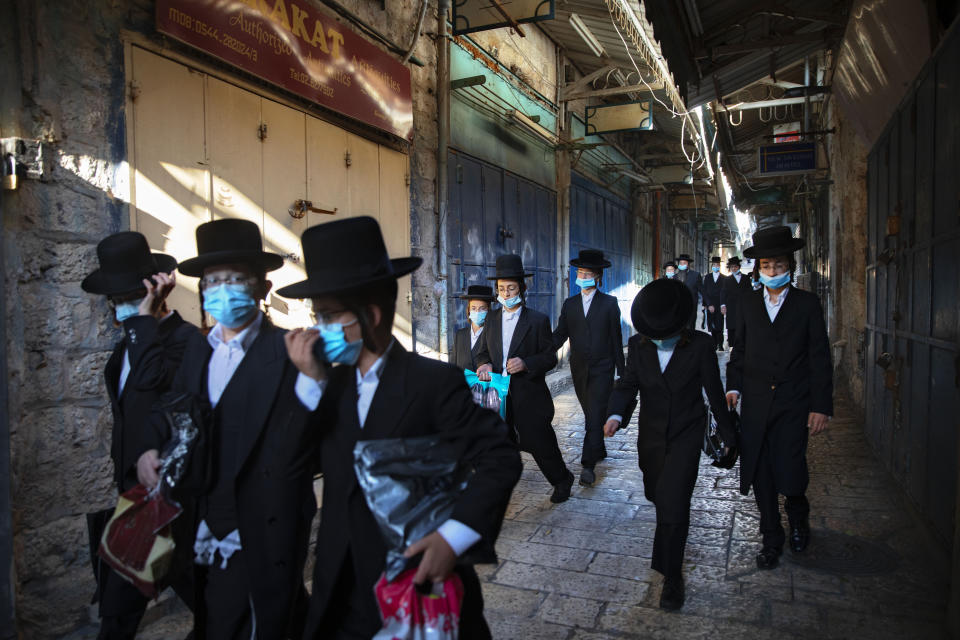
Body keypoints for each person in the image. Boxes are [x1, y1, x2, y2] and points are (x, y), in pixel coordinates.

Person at [280, 216, 522, 639]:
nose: (318, 329)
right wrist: (308, 385)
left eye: (328, 316)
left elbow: (499, 456)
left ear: (370, 315)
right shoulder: (326, 385)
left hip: (420, 581)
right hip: (342, 589)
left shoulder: (432, 383)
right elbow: (291, 463)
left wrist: (453, 537)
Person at [136, 218, 317, 639]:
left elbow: (307, 439)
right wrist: (148, 447)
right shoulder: (200, 351)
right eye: (213, 281)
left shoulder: (288, 352)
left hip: (264, 524)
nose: (223, 289)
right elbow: (169, 408)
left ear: (262, 290)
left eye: (237, 279)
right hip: (202, 519)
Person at [81, 232, 196, 639]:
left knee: (122, 613)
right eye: (114, 297)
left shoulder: (187, 343)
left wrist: (145, 319)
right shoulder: (124, 348)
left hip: (174, 500)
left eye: (130, 294)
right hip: (136, 498)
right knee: (118, 613)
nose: (120, 305)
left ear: (155, 289)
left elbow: (156, 382)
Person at [603, 279, 735, 611]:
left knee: (674, 504)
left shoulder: (701, 346)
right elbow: (628, 383)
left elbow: (714, 393)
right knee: (657, 495)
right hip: (651, 437)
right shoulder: (638, 345)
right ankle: (668, 554)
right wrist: (616, 415)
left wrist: (731, 435)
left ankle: (672, 577)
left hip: (686, 434)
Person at [726, 226, 833, 570]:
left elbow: (819, 357)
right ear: (758, 269)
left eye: (780, 265)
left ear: (791, 266)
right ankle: (771, 537)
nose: (773, 272)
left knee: (791, 468)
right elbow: (738, 350)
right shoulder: (746, 303)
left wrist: (820, 405)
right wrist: (734, 386)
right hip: (756, 403)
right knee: (761, 471)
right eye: (767, 266)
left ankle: (799, 519)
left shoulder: (807, 305)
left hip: (793, 402)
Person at [475, 254, 574, 503]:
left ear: (522, 288)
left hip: (529, 395)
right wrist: (484, 363)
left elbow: (551, 357)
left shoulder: (537, 320)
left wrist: (526, 363)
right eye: (501, 289)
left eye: (511, 288)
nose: (506, 293)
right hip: (499, 396)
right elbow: (482, 352)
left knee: (541, 444)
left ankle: (562, 479)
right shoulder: (492, 319)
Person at [552, 249, 624, 486]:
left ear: (598, 277)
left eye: (588, 273)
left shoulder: (609, 303)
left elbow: (616, 338)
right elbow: (560, 335)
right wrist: (538, 353)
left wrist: (622, 373)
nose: (583, 277)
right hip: (579, 369)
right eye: (580, 272)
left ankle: (588, 465)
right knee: (591, 413)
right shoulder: (570, 304)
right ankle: (598, 447)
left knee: (593, 415)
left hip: (603, 367)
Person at [452, 284, 497, 370]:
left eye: (482, 309)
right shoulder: (460, 335)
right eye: (473, 308)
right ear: (468, 310)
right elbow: (453, 366)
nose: (477, 312)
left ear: (489, 310)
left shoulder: (495, 336)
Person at [721, 256, 751, 350]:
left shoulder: (746, 278)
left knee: (743, 323)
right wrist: (723, 305)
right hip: (731, 306)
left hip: (744, 305)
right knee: (731, 325)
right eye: (732, 267)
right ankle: (732, 344)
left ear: (739, 267)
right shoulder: (727, 279)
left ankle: (743, 342)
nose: (734, 268)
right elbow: (723, 293)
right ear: (730, 268)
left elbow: (750, 291)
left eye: (735, 267)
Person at [701, 256, 727, 351]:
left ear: (720, 266)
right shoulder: (707, 277)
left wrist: (723, 305)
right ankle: (714, 343)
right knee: (712, 325)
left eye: (717, 265)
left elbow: (725, 293)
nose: (716, 266)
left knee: (720, 325)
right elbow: (704, 291)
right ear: (712, 266)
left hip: (720, 304)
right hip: (710, 304)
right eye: (714, 265)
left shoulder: (724, 278)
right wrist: (707, 305)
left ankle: (720, 344)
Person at [674, 253, 702, 330]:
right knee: (678, 327)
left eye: (684, 263)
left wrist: (707, 303)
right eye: (680, 263)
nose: (682, 265)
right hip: (678, 307)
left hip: (691, 307)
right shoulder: (675, 277)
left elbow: (702, 290)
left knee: (690, 328)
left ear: (688, 265)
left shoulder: (696, 275)